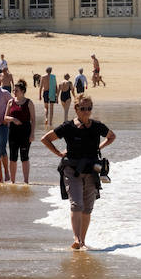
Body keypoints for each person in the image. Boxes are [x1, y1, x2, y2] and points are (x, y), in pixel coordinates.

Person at [40, 94, 116, 250]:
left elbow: (111, 136)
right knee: (77, 204)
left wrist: (98, 148)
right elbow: (45, 139)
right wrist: (59, 153)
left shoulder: (96, 126)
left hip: (92, 171)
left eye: (89, 108)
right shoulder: (68, 127)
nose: (86, 111)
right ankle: (76, 239)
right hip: (72, 170)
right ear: (76, 109)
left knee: (87, 208)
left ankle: (82, 241)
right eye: (83, 108)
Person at [3, 79, 36, 184]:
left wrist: (32, 134)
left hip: (26, 132)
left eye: (16, 90)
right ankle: (13, 182)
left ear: (22, 91)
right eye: (14, 90)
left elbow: (33, 119)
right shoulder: (11, 102)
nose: (14, 92)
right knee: (13, 157)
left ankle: (26, 181)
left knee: (24, 157)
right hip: (13, 132)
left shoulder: (29, 102)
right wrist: (13, 119)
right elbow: (5, 118)